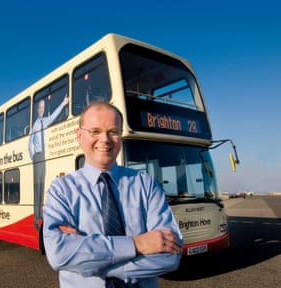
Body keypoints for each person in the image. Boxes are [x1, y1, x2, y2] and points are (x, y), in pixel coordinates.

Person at [43, 101, 183, 288]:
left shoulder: (146, 185)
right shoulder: (61, 190)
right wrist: (137, 244)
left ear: (121, 137)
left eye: (113, 132)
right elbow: (59, 254)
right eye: (95, 131)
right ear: (79, 136)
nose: (105, 139)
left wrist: (90, 265)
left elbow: (170, 257)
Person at [29, 95, 69, 230]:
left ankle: (40, 214)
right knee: (37, 187)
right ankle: (35, 219)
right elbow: (30, 144)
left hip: (44, 156)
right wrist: (33, 157)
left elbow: (54, 117)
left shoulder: (45, 121)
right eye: (39, 107)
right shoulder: (35, 125)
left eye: (43, 107)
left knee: (42, 185)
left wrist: (63, 104)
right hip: (38, 157)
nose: (41, 109)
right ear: (36, 109)